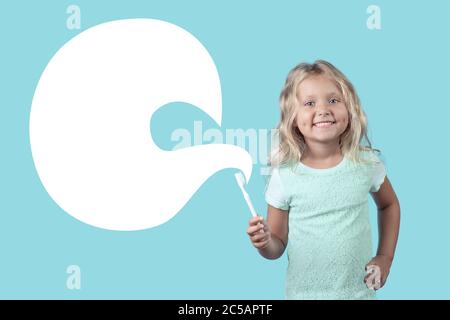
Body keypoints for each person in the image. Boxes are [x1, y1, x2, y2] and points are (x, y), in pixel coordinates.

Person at [247, 60, 400, 299]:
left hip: (358, 295)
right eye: (309, 103)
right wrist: (265, 242)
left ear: (349, 109)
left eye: (333, 100)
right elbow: (276, 246)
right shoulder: (284, 174)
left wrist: (385, 257)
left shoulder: (366, 163)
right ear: (293, 118)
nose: (323, 109)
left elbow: (389, 205)